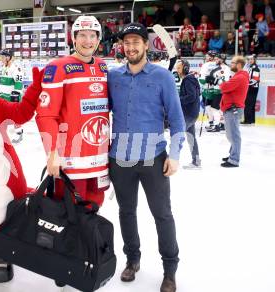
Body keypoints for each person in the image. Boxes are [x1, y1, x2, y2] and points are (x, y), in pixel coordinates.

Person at [108, 23, 185, 292]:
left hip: (153, 157)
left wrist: (174, 155)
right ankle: (132, 259)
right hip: (120, 158)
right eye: (126, 43)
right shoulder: (113, 77)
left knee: (162, 215)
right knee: (126, 212)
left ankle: (170, 270)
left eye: (135, 42)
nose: (130, 47)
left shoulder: (162, 77)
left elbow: (176, 120)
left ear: (146, 45)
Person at [35, 15, 110, 206]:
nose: (88, 41)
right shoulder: (58, 67)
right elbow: (46, 115)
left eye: (92, 35)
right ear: (73, 38)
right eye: (82, 35)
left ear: (99, 39)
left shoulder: (102, 66)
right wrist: (52, 153)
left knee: (94, 212)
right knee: (70, 218)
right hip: (70, 161)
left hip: (100, 160)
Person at [219, 56, 249, 167]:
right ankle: (233, 154)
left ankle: (234, 159)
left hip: (233, 109)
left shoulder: (240, 77)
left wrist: (222, 84)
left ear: (239, 64)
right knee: (231, 134)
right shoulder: (239, 76)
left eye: (233, 63)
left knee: (234, 135)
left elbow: (224, 87)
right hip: (232, 108)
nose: (231, 64)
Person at [176, 59, 201, 169]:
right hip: (192, 113)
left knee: (177, 137)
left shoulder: (188, 80)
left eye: (179, 68)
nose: (177, 71)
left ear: (185, 68)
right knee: (191, 137)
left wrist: (178, 99)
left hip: (189, 114)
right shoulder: (190, 79)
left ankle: (170, 160)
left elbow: (192, 96)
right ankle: (196, 161)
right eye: (177, 68)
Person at [0, 49, 25, 143]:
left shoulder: (15, 68)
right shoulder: (3, 67)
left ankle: (19, 134)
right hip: (3, 96)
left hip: (11, 97)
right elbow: (2, 82)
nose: (1, 58)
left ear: (8, 57)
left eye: (3, 56)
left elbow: (19, 81)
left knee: (15, 116)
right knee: (1, 116)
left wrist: (16, 95)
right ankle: (1, 134)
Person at [242, 54, 260, 124]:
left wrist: (246, 84)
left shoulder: (255, 68)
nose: (250, 61)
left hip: (252, 88)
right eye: (249, 59)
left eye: (251, 59)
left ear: (254, 60)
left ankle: (248, 120)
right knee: (250, 104)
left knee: (249, 103)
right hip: (251, 87)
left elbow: (255, 79)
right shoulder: (250, 67)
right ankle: (251, 120)